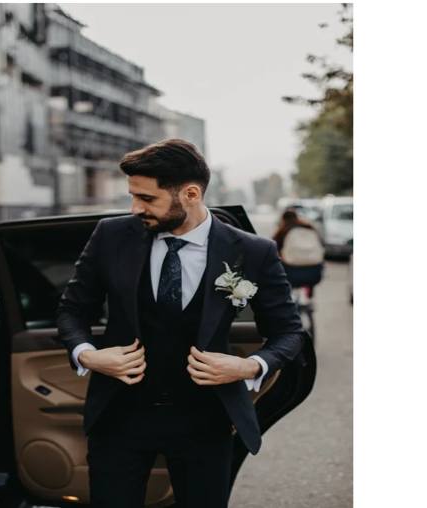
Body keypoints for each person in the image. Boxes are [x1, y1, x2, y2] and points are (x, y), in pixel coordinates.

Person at [56, 139, 304, 508]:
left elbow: (288, 332)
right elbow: (71, 311)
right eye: (133, 196)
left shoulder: (252, 251)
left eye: (147, 198)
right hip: (120, 416)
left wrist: (249, 365)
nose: (135, 208)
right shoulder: (111, 236)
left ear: (190, 193)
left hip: (205, 420)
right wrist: (88, 355)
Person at [272, 208, 325, 295]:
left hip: (292, 271)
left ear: (283, 219)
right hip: (314, 271)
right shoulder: (309, 227)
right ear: (296, 217)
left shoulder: (282, 231)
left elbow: (274, 247)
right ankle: (309, 294)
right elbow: (321, 244)